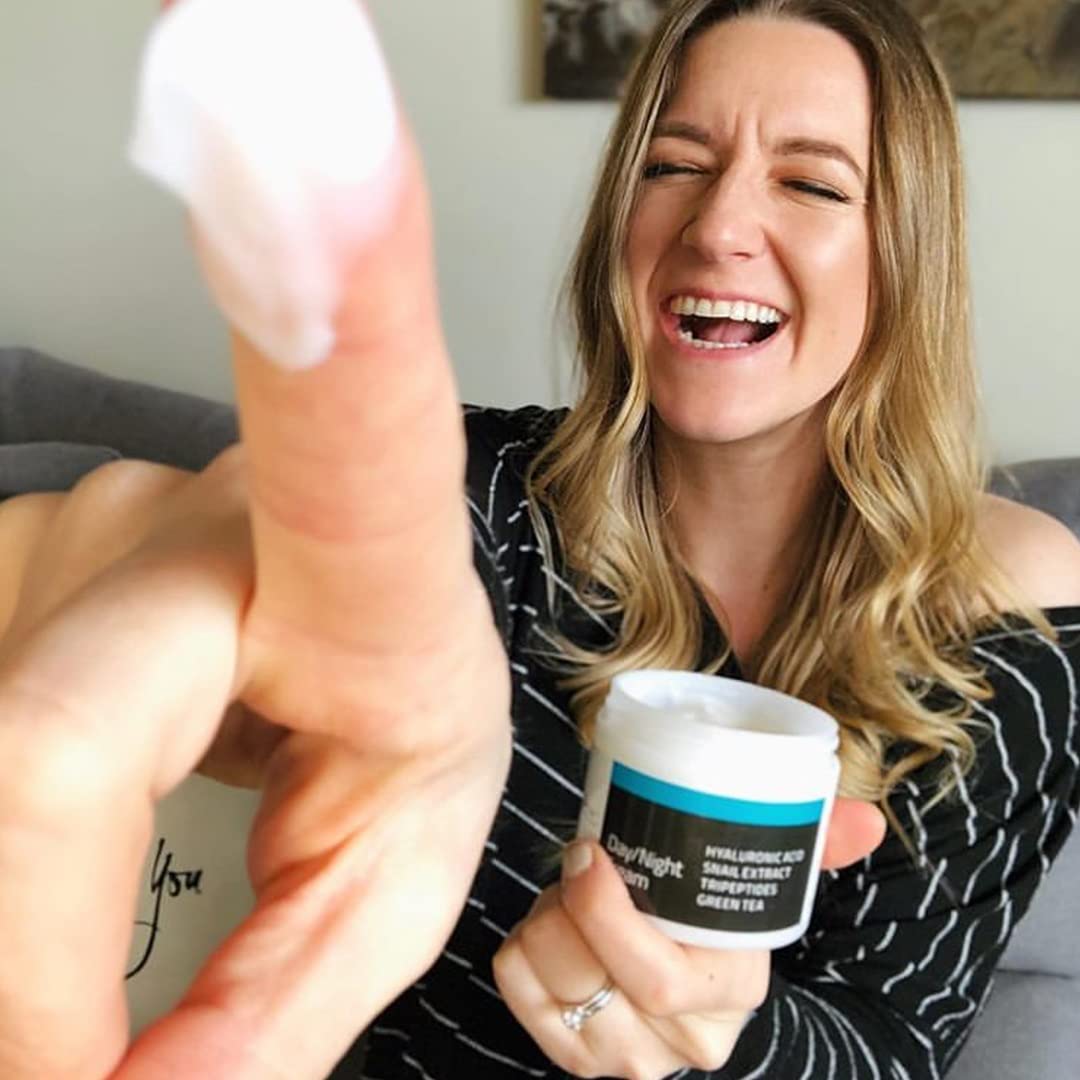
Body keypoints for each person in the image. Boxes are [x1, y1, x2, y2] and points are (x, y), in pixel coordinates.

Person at [0, 2, 1078, 1079]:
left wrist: (727, 1032)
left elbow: (895, 1045)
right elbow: (316, 538)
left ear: (906, 256)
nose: (715, 227)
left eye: (810, 183)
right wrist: (115, 562)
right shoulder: (465, 503)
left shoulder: (1008, 614)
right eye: (672, 165)